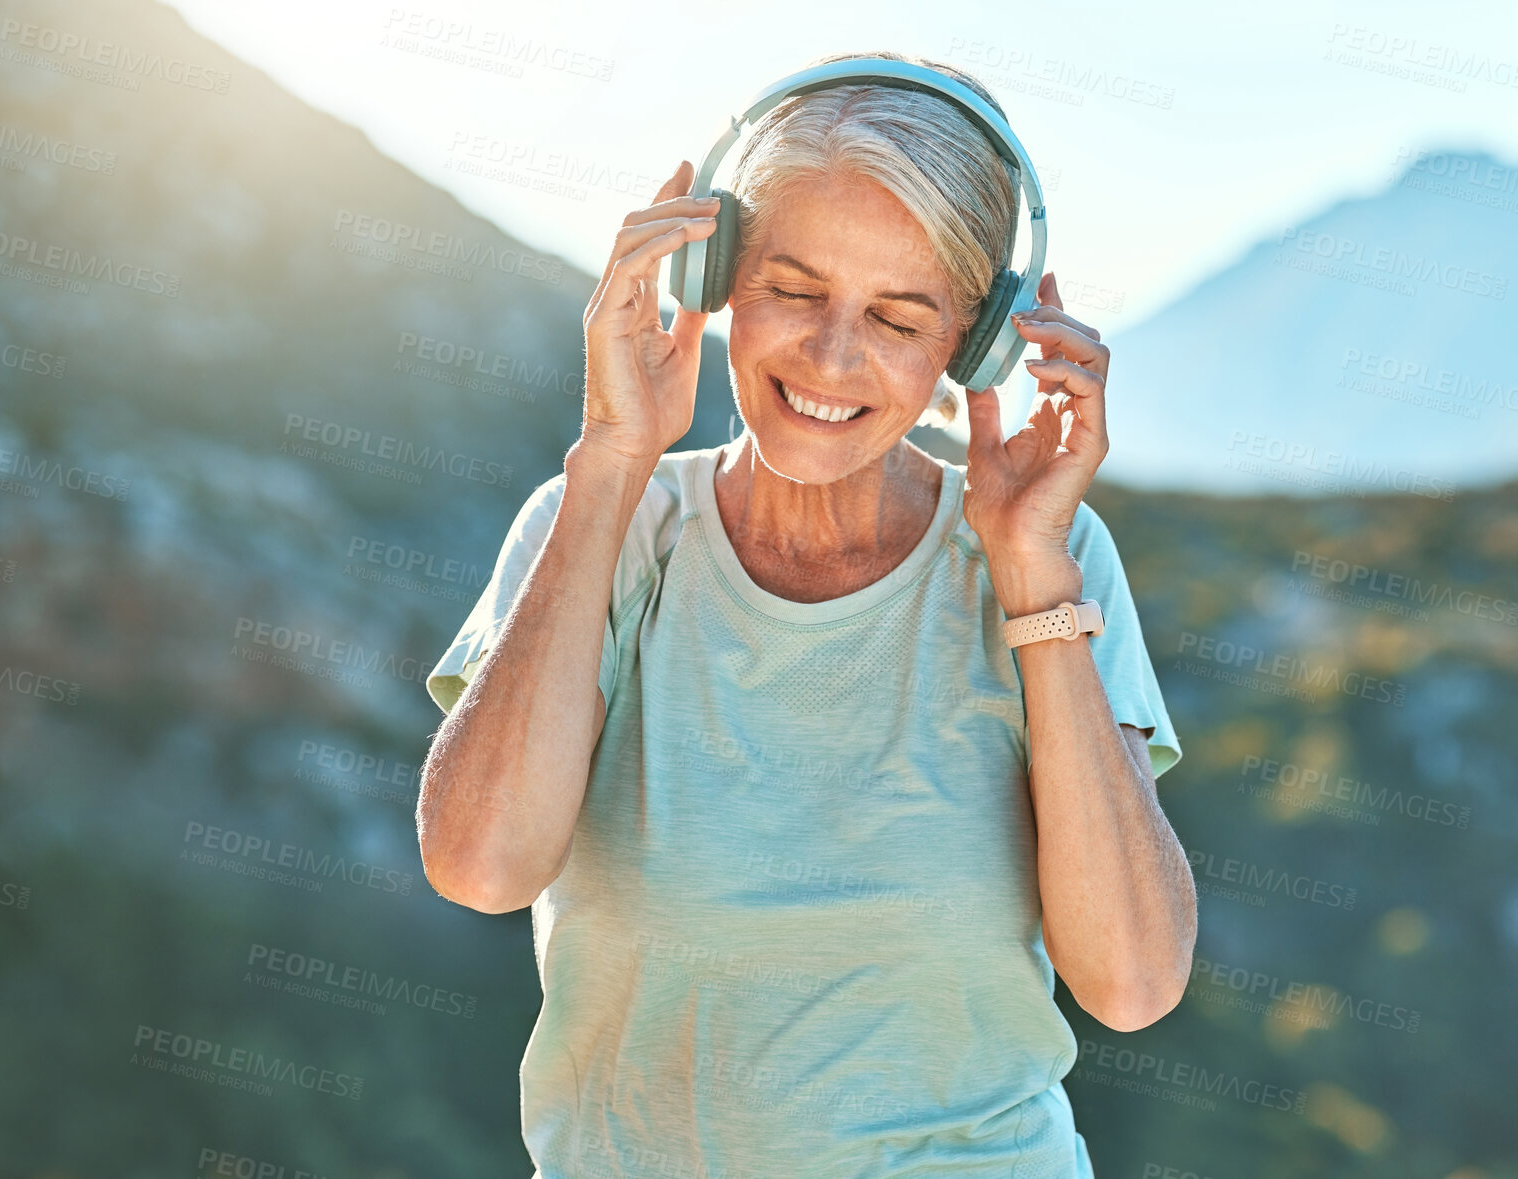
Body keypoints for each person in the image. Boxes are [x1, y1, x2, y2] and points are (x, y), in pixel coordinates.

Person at [418, 49, 1195, 1179]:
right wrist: (612, 459)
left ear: (970, 346)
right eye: (791, 289)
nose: (831, 357)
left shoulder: (1052, 556)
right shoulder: (607, 525)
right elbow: (482, 865)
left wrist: (1031, 575)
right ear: (715, 275)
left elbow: (1129, 980)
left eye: (898, 316)